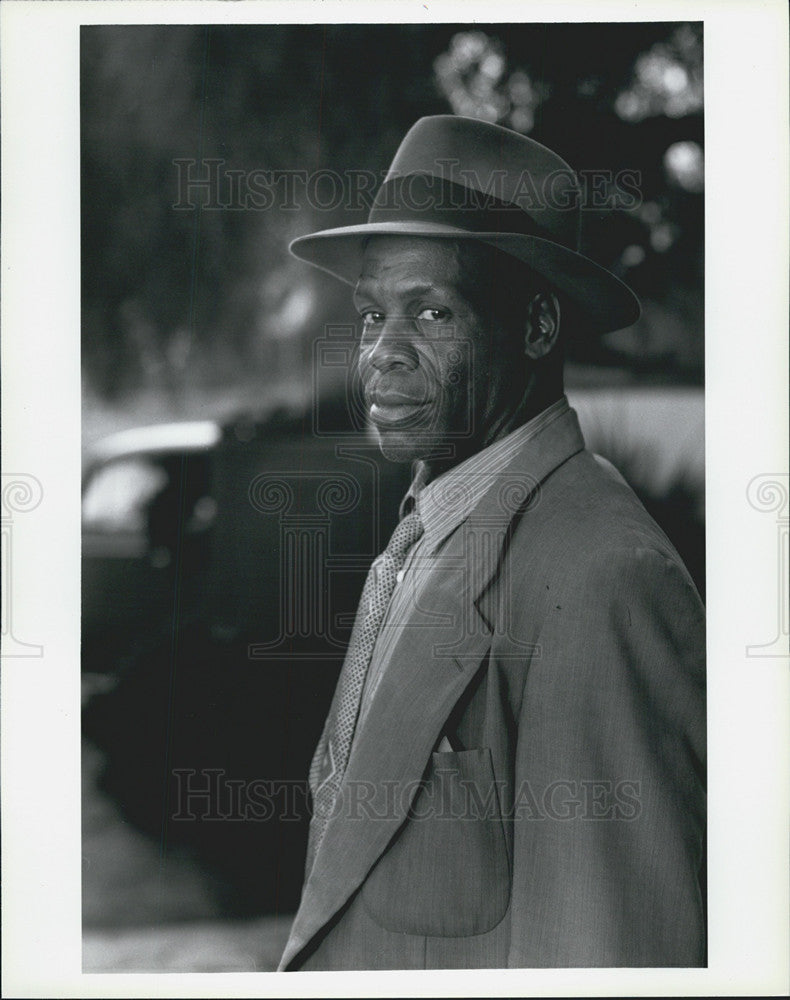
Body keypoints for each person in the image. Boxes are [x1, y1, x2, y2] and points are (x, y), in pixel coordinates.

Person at [278, 115, 706, 970]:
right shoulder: (429, 528)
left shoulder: (601, 580)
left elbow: (608, 958)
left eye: (432, 310)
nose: (382, 356)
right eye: (371, 317)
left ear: (538, 327)